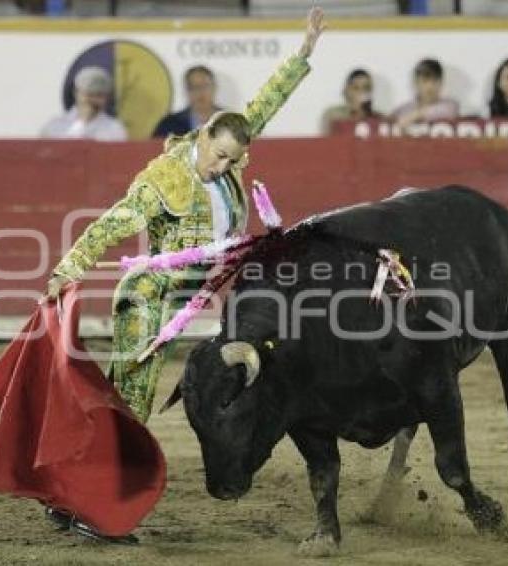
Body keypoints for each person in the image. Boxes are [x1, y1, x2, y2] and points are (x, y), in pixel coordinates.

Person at [46, 7, 324, 425]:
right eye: (219, 155)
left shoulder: (227, 154)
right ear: (205, 134)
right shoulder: (165, 178)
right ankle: (114, 464)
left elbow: (264, 106)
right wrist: (69, 268)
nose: (222, 166)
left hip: (209, 280)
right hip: (152, 293)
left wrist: (303, 51)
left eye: (232, 160)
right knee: (135, 389)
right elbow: (112, 224)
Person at [41, 66, 127, 141]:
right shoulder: (55, 126)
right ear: (76, 93)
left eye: (99, 95)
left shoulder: (115, 129)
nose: (93, 100)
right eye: (89, 94)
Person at [152, 65, 222, 138]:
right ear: (186, 91)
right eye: (193, 87)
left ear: (214, 87)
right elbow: (155, 147)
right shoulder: (170, 124)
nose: (200, 92)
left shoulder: (230, 122)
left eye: (204, 86)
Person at [391, 58, 458, 128]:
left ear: (441, 83)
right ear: (416, 83)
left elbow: (448, 112)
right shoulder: (404, 109)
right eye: (425, 81)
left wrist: (415, 115)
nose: (430, 86)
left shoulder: (450, 106)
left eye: (435, 81)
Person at [320, 68, 384, 134]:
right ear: (346, 91)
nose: (361, 92)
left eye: (366, 88)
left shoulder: (379, 118)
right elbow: (325, 140)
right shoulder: (333, 115)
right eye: (356, 88)